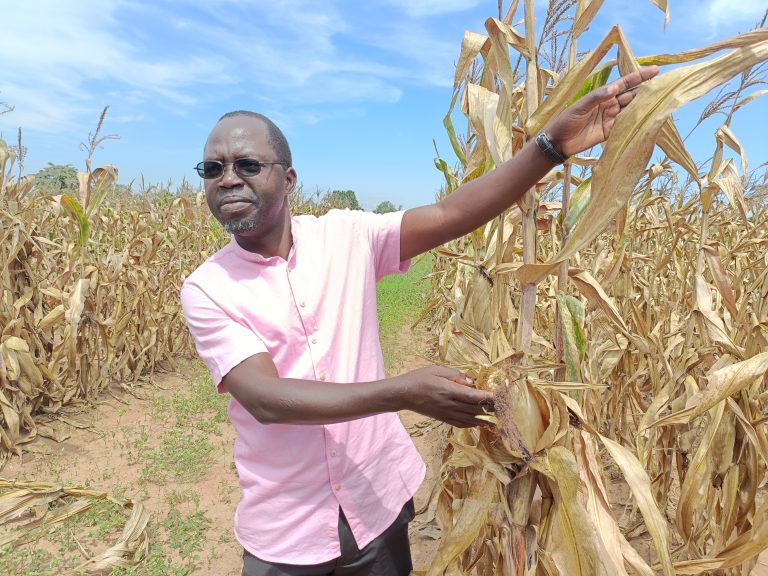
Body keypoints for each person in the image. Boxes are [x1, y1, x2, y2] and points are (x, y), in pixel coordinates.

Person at [180, 65, 659, 576]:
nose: (228, 178)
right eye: (212, 169)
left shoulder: (347, 236)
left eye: (247, 164)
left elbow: (450, 214)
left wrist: (550, 147)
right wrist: (402, 392)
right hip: (287, 532)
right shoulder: (208, 288)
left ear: (288, 178)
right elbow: (264, 398)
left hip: (377, 503)